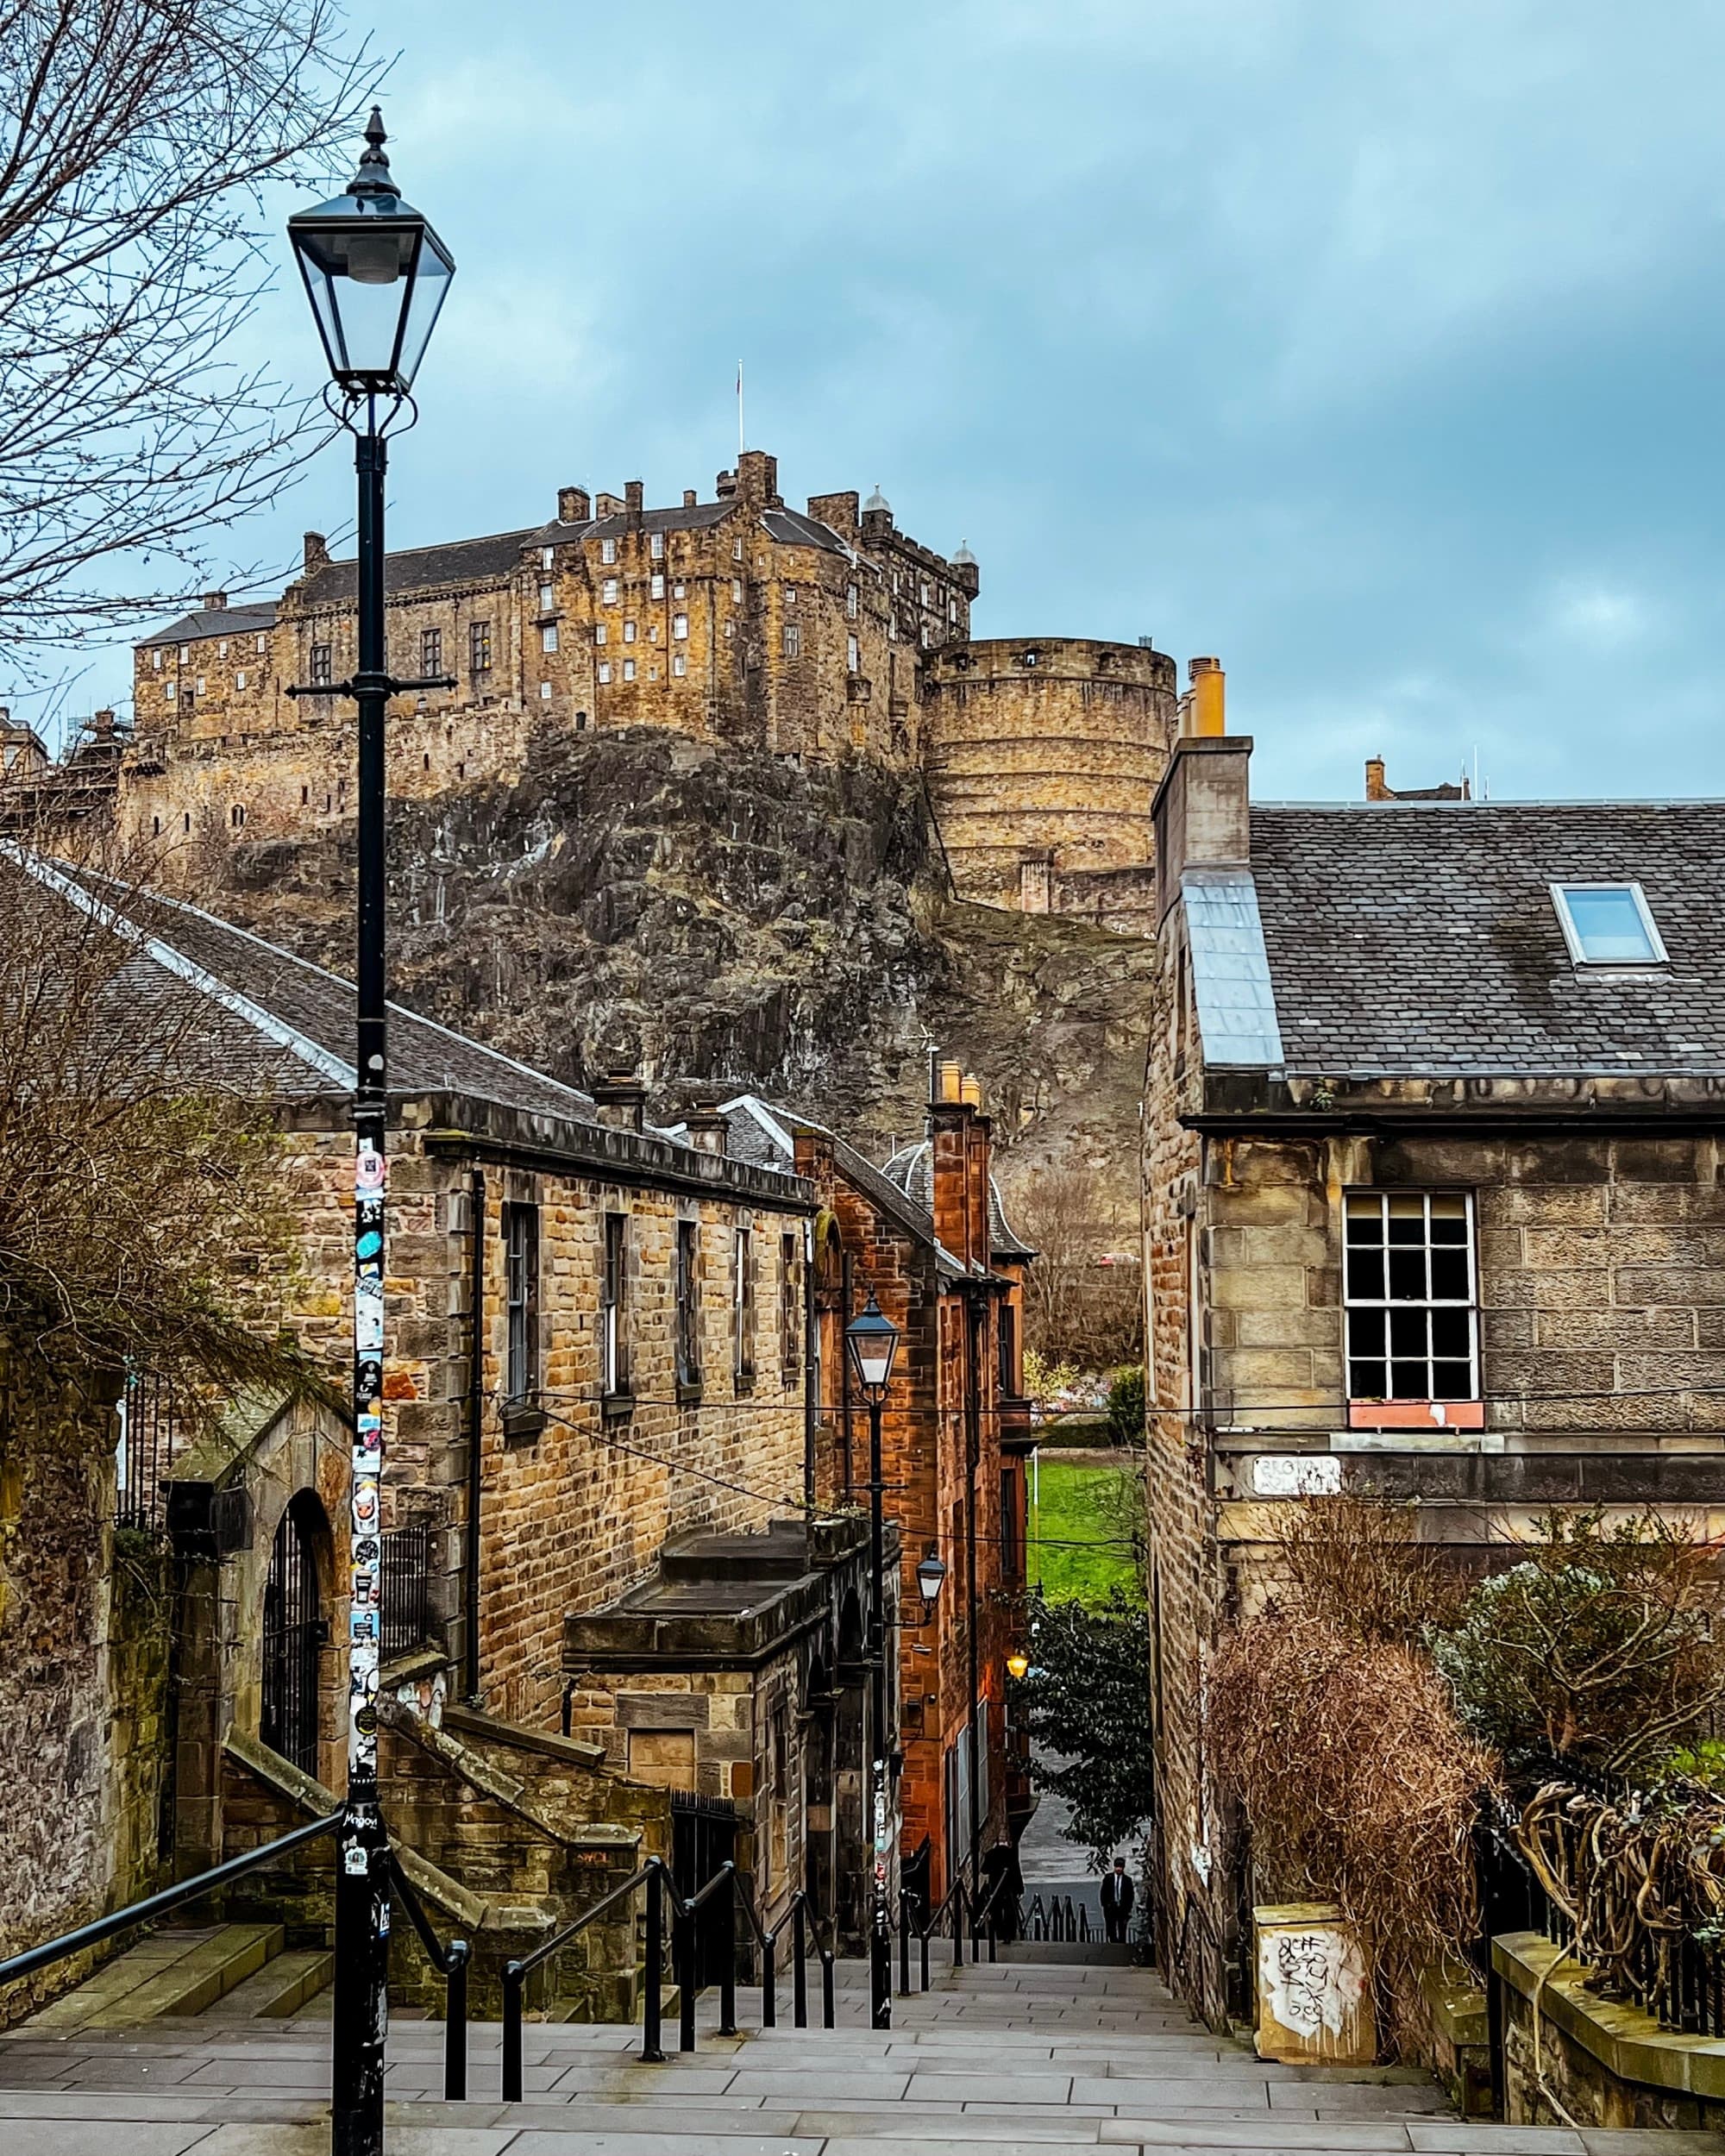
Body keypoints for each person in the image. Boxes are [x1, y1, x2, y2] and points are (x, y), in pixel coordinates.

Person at [1100, 1854, 1134, 1942]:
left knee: (1122, 1928)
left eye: (1120, 1867)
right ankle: (1113, 1943)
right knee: (1111, 1927)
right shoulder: (1108, 1878)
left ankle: (1122, 1944)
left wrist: (1128, 1908)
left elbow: (1130, 1895)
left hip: (1122, 1908)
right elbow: (1103, 1892)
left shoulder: (1127, 1880)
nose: (1119, 1869)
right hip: (1111, 1907)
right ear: (1114, 1867)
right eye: (1117, 1867)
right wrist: (1105, 1905)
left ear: (1123, 1868)